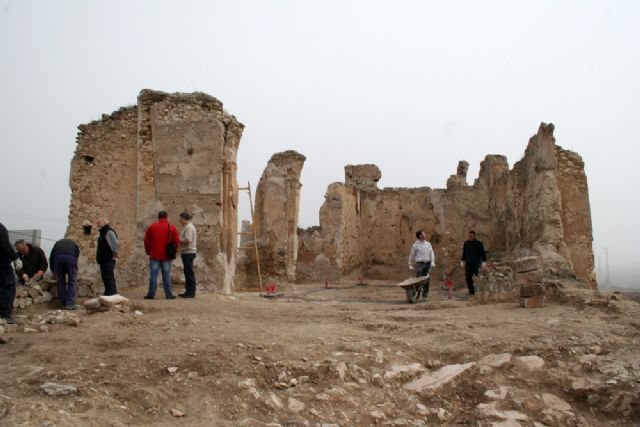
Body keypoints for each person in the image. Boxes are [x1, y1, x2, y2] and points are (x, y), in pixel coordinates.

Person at [143, 211, 180, 300]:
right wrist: (175, 251)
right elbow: (176, 241)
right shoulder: (172, 227)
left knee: (153, 275)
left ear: (158, 217)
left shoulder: (152, 227)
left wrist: (148, 251)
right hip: (166, 255)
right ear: (166, 217)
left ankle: (151, 294)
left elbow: (146, 241)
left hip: (154, 254)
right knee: (166, 275)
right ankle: (168, 294)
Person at [49, 238, 80, 310]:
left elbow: (51, 257)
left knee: (60, 281)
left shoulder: (57, 243)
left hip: (58, 258)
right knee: (72, 281)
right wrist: (74, 266)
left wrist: (53, 269)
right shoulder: (74, 244)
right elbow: (76, 255)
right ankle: (70, 303)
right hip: (70, 258)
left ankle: (63, 303)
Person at [0, 222, 21, 324]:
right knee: (9, 286)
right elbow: (4, 244)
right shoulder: (0, 227)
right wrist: (15, 258)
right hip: (2, 264)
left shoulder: (36, 251)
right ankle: (4, 315)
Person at [408, 230, 436, 300]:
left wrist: (432, 261)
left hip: (428, 264)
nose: (425, 235)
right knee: (418, 280)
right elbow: (412, 255)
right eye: (423, 234)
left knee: (427, 280)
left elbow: (431, 253)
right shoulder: (415, 245)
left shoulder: (428, 244)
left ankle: (425, 295)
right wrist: (410, 264)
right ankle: (417, 295)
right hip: (420, 264)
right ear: (420, 236)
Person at [96, 218, 120, 296]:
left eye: (99, 223)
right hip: (103, 259)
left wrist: (115, 256)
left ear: (104, 223)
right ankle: (108, 296)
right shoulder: (103, 233)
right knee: (106, 279)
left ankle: (112, 296)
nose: (98, 225)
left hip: (109, 259)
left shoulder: (109, 232)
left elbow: (115, 245)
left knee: (109, 278)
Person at [460, 230, 487, 295]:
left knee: (479, 277)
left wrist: (484, 261)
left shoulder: (479, 243)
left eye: (471, 235)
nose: (470, 237)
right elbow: (464, 253)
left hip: (476, 263)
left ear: (474, 236)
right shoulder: (466, 243)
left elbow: (483, 253)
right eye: (469, 235)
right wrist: (462, 260)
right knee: (468, 278)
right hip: (468, 264)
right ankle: (472, 292)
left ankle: (481, 291)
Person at [178, 212, 197, 298]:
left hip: (189, 252)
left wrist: (178, 239)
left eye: (180, 219)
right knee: (187, 273)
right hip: (187, 252)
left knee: (189, 273)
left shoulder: (189, 227)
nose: (179, 221)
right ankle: (188, 291)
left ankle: (191, 293)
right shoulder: (188, 227)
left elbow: (188, 240)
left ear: (184, 219)